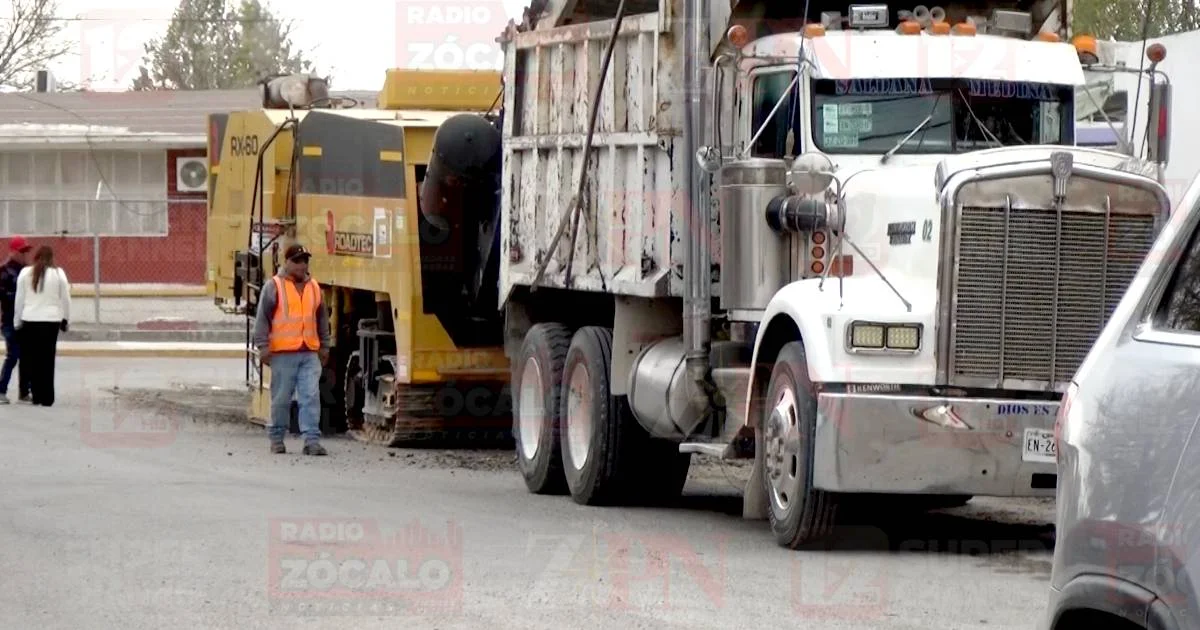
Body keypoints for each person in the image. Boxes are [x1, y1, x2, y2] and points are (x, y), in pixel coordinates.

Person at [252, 243, 330, 455]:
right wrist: (263, 347)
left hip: (308, 353)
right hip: (283, 354)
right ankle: (277, 438)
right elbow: (262, 319)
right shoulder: (273, 286)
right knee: (281, 398)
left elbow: (322, 320)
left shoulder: (315, 288)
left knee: (310, 396)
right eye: (296, 261)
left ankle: (311, 441)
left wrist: (324, 346)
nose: (301, 265)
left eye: (304, 261)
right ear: (285, 262)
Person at [14, 245, 70, 407]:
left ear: (36, 256)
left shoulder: (25, 273)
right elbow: (65, 298)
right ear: (52, 257)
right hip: (51, 321)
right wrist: (66, 318)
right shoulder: (59, 273)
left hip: (30, 319)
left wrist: (17, 321)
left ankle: (36, 395)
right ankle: (47, 397)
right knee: (47, 359)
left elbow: (20, 299)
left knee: (32, 359)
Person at [0, 236, 32, 404]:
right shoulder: (4, 271)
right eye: (22, 251)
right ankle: (1, 390)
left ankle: (24, 392)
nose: (25, 255)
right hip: (9, 320)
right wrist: (16, 297)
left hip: (26, 319)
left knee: (26, 356)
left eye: (26, 251)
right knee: (13, 355)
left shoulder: (28, 271)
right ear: (12, 252)